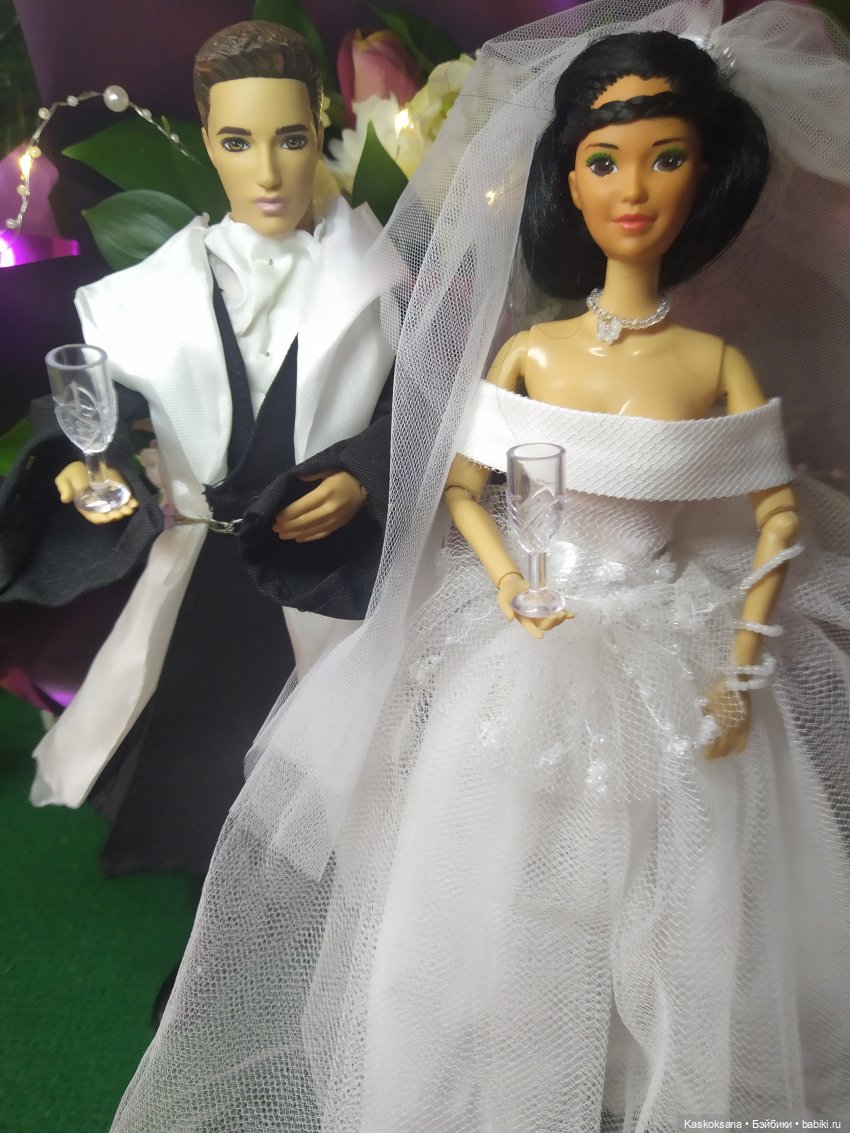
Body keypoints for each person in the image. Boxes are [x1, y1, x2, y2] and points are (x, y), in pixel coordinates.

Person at [110, 1, 850, 1128]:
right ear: (568, 180)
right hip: (532, 635)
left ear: (709, 175)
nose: (634, 191)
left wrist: (743, 661)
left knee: (689, 873)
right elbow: (462, 487)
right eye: (604, 161)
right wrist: (507, 581)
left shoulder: (713, 363)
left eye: (666, 160)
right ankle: (518, 1053)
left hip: (678, 637)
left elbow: (777, 517)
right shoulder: (531, 353)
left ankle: (655, 1069)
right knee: (503, 861)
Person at [0, 21, 394, 876]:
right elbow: (88, 403)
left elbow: (424, 406)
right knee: (194, 746)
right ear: (208, 141)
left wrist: (364, 471)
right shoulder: (148, 296)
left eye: (291, 139)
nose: (268, 172)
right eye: (239, 142)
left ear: (320, 126)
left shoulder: (386, 280)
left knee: (334, 767)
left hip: (322, 567)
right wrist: (87, 458)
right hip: (203, 562)